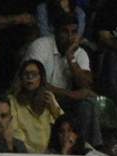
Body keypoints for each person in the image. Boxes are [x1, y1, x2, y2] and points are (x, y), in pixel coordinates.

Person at [23, 11, 99, 147]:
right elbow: (37, 84)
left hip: (63, 102)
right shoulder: (40, 46)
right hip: (38, 98)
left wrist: (71, 57)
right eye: (65, 32)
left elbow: (86, 85)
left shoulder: (79, 52)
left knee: (88, 103)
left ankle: (87, 149)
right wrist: (73, 95)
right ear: (56, 31)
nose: (70, 37)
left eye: (74, 32)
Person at [8, 58, 62, 154]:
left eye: (34, 74)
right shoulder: (12, 100)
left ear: (41, 78)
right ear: (20, 78)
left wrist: (53, 107)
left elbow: (65, 126)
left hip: (48, 155)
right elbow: (16, 133)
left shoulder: (48, 98)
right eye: (26, 74)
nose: (30, 77)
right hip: (24, 154)